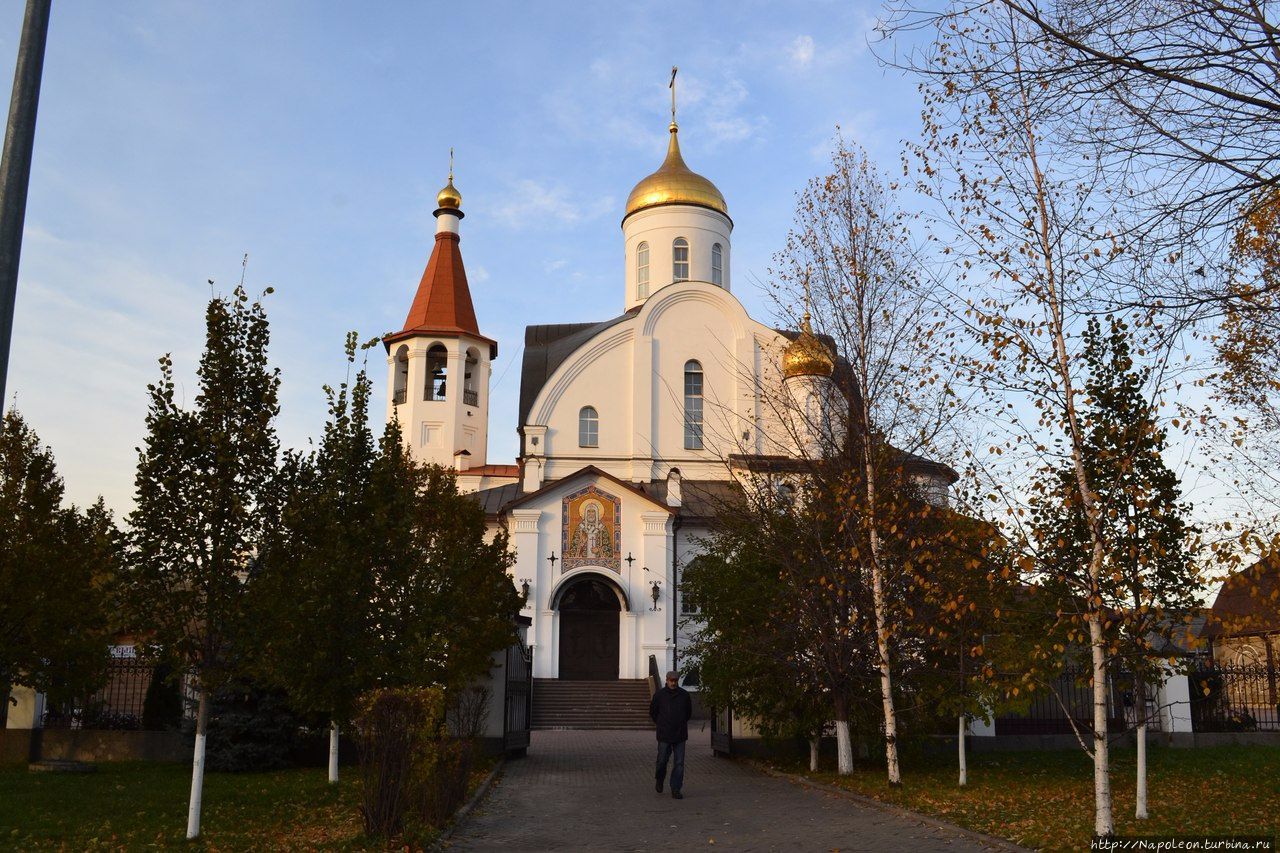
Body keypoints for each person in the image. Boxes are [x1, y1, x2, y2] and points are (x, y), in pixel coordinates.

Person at [649, 670, 693, 799]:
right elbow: (653, 712)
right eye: (671, 680)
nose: (673, 683)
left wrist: (680, 722)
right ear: (667, 680)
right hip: (664, 734)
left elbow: (688, 713)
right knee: (662, 760)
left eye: (675, 681)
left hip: (680, 734)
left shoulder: (684, 695)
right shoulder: (659, 695)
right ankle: (660, 779)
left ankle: (676, 788)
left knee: (679, 763)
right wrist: (661, 723)